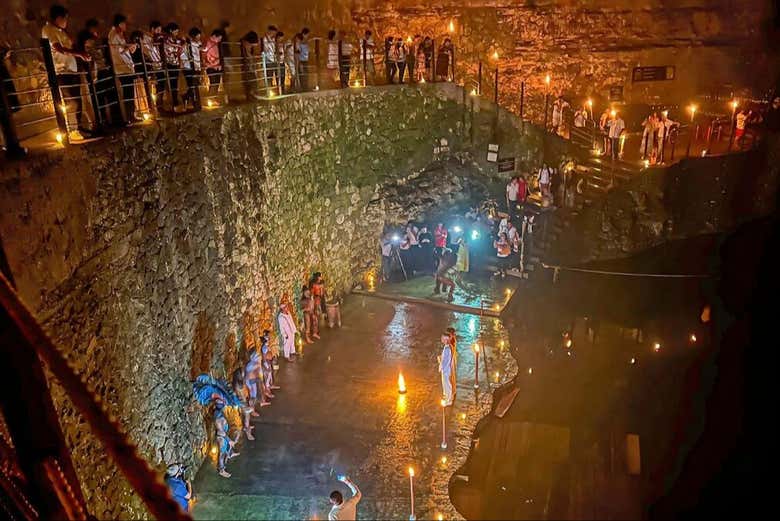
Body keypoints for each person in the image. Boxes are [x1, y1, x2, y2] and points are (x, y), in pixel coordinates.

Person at [42, 5, 92, 139]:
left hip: (71, 70)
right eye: (65, 19)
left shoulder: (61, 31)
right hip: (62, 71)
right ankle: (72, 130)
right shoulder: (49, 30)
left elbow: (69, 46)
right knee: (71, 102)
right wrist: (79, 54)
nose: (67, 22)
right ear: (58, 18)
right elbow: (58, 48)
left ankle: (79, 128)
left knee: (77, 100)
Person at [108, 14, 139, 121]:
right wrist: (129, 47)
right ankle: (130, 115)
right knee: (128, 93)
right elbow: (118, 51)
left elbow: (127, 50)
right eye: (125, 24)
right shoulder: (113, 35)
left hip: (127, 67)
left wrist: (132, 46)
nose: (126, 26)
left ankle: (132, 114)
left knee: (130, 92)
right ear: (120, 24)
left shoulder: (120, 35)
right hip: (122, 68)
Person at [141, 21, 164, 110]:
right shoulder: (145, 38)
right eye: (158, 30)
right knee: (151, 86)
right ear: (152, 29)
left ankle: (160, 104)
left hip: (159, 64)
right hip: (151, 66)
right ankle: (152, 106)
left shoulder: (158, 38)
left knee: (161, 85)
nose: (159, 32)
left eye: (160, 30)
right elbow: (147, 51)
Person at [162, 23, 184, 111]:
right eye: (175, 31)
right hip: (169, 63)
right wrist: (178, 46)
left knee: (175, 82)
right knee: (170, 82)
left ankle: (175, 100)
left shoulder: (177, 40)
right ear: (171, 30)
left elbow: (180, 49)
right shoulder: (166, 39)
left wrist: (181, 46)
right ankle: (171, 101)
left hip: (175, 63)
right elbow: (167, 46)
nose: (177, 33)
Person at [214, 400, 237, 478]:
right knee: (222, 454)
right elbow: (221, 432)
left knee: (226, 448)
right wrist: (229, 440)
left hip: (224, 436)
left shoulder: (220, 414)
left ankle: (230, 453)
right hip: (221, 438)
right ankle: (221, 470)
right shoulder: (218, 419)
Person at [231, 368, 255, 440]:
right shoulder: (239, 384)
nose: (244, 374)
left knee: (248, 416)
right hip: (242, 403)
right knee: (247, 416)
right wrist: (247, 405)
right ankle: (248, 434)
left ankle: (247, 427)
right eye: (243, 373)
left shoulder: (239, 382)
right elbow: (242, 395)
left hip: (244, 401)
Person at [181, 27, 202, 109]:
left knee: (194, 85)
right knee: (192, 86)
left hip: (196, 67)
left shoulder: (198, 44)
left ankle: (187, 98)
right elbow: (183, 55)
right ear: (193, 36)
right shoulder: (186, 44)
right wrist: (187, 64)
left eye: (199, 36)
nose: (199, 38)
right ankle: (195, 104)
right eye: (197, 36)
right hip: (189, 68)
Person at [202, 29, 224, 102]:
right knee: (213, 82)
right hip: (210, 66)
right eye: (219, 38)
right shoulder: (207, 42)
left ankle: (214, 97)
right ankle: (210, 98)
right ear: (214, 36)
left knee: (217, 82)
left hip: (217, 66)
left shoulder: (216, 43)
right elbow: (204, 51)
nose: (220, 40)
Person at [240, 31, 260, 100]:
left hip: (248, 66)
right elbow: (248, 56)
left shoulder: (246, 44)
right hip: (248, 67)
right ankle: (252, 95)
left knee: (251, 81)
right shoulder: (246, 44)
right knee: (252, 81)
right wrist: (253, 59)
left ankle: (251, 95)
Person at [438, 334, 456, 405]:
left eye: (442, 338)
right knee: (445, 384)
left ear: (446, 340)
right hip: (445, 369)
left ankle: (449, 400)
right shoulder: (447, 347)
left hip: (446, 370)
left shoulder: (447, 349)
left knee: (447, 384)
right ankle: (447, 396)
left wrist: (441, 366)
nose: (441, 339)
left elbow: (445, 361)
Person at [261, 25, 278, 94]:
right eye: (273, 32)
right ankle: (268, 91)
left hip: (273, 59)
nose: (274, 34)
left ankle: (272, 90)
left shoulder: (273, 39)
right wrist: (269, 42)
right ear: (270, 31)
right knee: (269, 76)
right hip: (268, 60)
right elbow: (265, 49)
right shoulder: (265, 39)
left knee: (273, 75)